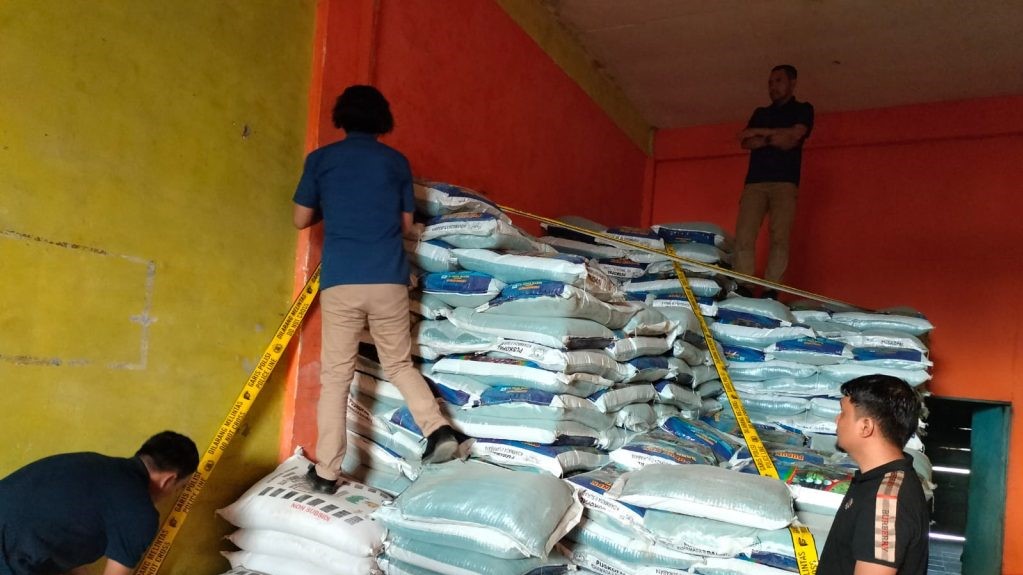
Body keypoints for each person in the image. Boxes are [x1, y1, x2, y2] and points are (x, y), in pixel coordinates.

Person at [293, 85, 459, 494]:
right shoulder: (396, 162)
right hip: (389, 279)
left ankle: (327, 472)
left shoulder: (321, 160)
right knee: (399, 365)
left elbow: (300, 219)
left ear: (342, 116)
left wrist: (335, 204)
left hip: (343, 281)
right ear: (382, 119)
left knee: (337, 378)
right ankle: (438, 430)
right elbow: (405, 225)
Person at [0, 431, 199, 575]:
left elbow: (62, 535)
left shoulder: (91, 463)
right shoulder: (140, 513)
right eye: (180, 487)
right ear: (169, 479)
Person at [818, 375, 929, 575]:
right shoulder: (874, 480)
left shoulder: (887, 498)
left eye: (843, 413)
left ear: (866, 427)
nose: (837, 419)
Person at [734, 64, 814, 298]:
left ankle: (772, 289)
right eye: (770, 82)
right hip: (755, 183)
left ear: (792, 83)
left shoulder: (803, 109)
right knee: (744, 234)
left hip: (785, 183)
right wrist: (777, 135)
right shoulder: (760, 112)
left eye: (778, 81)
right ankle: (744, 285)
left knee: (780, 237)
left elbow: (793, 138)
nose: (773, 87)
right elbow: (745, 140)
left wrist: (761, 134)